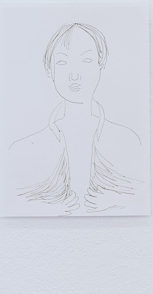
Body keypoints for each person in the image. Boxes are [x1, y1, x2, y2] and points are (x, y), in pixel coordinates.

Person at [9, 21, 142, 214]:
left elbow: (142, 197)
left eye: (86, 61)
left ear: (100, 64)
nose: (74, 75)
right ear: (49, 70)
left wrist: (117, 204)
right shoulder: (23, 148)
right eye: (62, 62)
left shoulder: (128, 140)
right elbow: (13, 203)